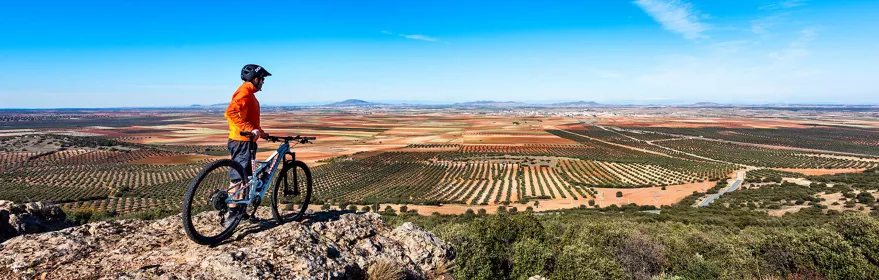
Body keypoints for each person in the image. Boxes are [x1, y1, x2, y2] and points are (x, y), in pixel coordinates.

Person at [224, 64, 271, 220]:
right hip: (241, 140)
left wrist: (262, 134)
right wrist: (248, 129)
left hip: (247, 141)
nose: (263, 82)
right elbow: (230, 112)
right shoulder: (244, 92)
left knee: (246, 178)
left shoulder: (250, 94)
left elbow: (250, 120)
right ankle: (232, 214)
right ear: (255, 79)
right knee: (238, 178)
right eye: (262, 79)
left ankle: (241, 212)